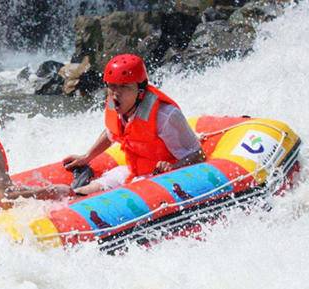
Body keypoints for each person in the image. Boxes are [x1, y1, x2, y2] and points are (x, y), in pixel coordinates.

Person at [63, 54, 205, 195]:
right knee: (82, 192)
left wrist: (173, 167)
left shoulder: (165, 116)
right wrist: (87, 156)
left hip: (162, 179)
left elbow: (198, 155)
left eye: (124, 87)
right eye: (112, 86)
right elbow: (111, 132)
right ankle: (59, 196)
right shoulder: (115, 104)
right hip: (134, 171)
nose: (115, 94)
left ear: (141, 92)